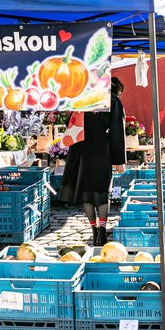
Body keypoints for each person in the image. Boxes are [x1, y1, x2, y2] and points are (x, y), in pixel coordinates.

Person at [59, 77, 127, 247]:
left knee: (86, 192)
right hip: (101, 148)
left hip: (81, 148)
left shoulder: (83, 98)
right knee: (102, 191)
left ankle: (94, 230)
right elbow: (118, 130)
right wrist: (119, 159)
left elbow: (71, 123)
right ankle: (102, 232)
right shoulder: (113, 101)